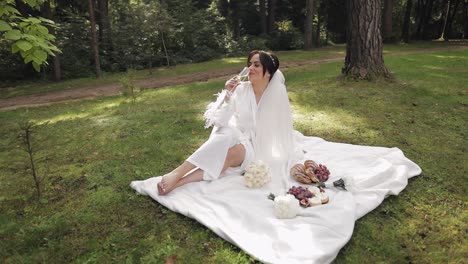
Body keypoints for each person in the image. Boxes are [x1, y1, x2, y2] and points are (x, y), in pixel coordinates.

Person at [157, 50, 300, 195]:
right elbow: (220, 122)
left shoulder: (276, 96)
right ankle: (177, 172)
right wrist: (228, 94)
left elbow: (280, 131)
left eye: (256, 65)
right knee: (226, 135)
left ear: (269, 72)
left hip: (253, 145)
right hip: (230, 134)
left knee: (231, 155)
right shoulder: (241, 89)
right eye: (249, 64)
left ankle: (179, 182)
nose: (250, 68)